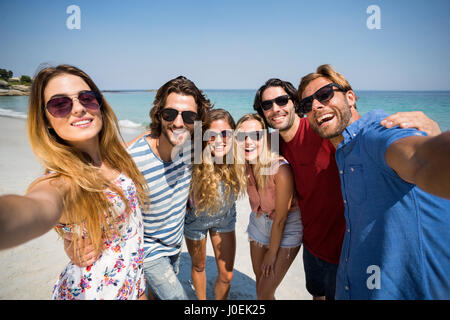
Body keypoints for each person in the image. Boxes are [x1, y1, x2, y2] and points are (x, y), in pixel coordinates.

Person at [253, 78, 442, 300]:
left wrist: (433, 134)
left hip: (345, 250)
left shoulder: (322, 128)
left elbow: (367, 133)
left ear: (295, 104)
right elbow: (231, 146)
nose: (275, 109)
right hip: (311, 243)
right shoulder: (274, 143)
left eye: (282, 100)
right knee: (317, 295)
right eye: (267, 105)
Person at [297, 64, 450, 299]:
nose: (316, 105)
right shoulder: (344, 152)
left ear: (350, 97)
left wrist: (437, 143)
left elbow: (422, 159)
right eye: (307, 104)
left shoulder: (378, 134)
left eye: (325, 95)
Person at [0, 64, 150, 300]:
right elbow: (38, 206)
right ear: (46, 121)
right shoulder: (63, 181)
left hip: (131, 283)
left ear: (99, 105)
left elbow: (147, 139)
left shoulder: (115, 157)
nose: (79, 108)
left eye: (87, 98)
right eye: (60, 104)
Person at [64, 76, 211, 300]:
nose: (179, 123)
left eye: (189, 116)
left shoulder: (192, 148)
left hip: (174, 245)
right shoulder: (132, 158)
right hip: (148, 249)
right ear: (159, 115)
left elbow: (229, 143)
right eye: (170, 114)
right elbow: (87, 184)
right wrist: (70, 238)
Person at [234, 113, 303, 300]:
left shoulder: (281, 169)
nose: (248, 142)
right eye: (242, 136)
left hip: (286, 225)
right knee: (261, 286)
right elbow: (210, 143)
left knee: (264, 292)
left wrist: (272, 253)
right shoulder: (244, 163)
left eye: (256, 135)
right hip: (259, 221)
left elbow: (281, 218)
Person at [185, 108, 245, 300]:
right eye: (212, 135)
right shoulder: (193, 160)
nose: (219, 140)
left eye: (225, 133)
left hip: (225, 219)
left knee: (227, 275)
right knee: (199, 266)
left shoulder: (240, 157)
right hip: (195, 221)